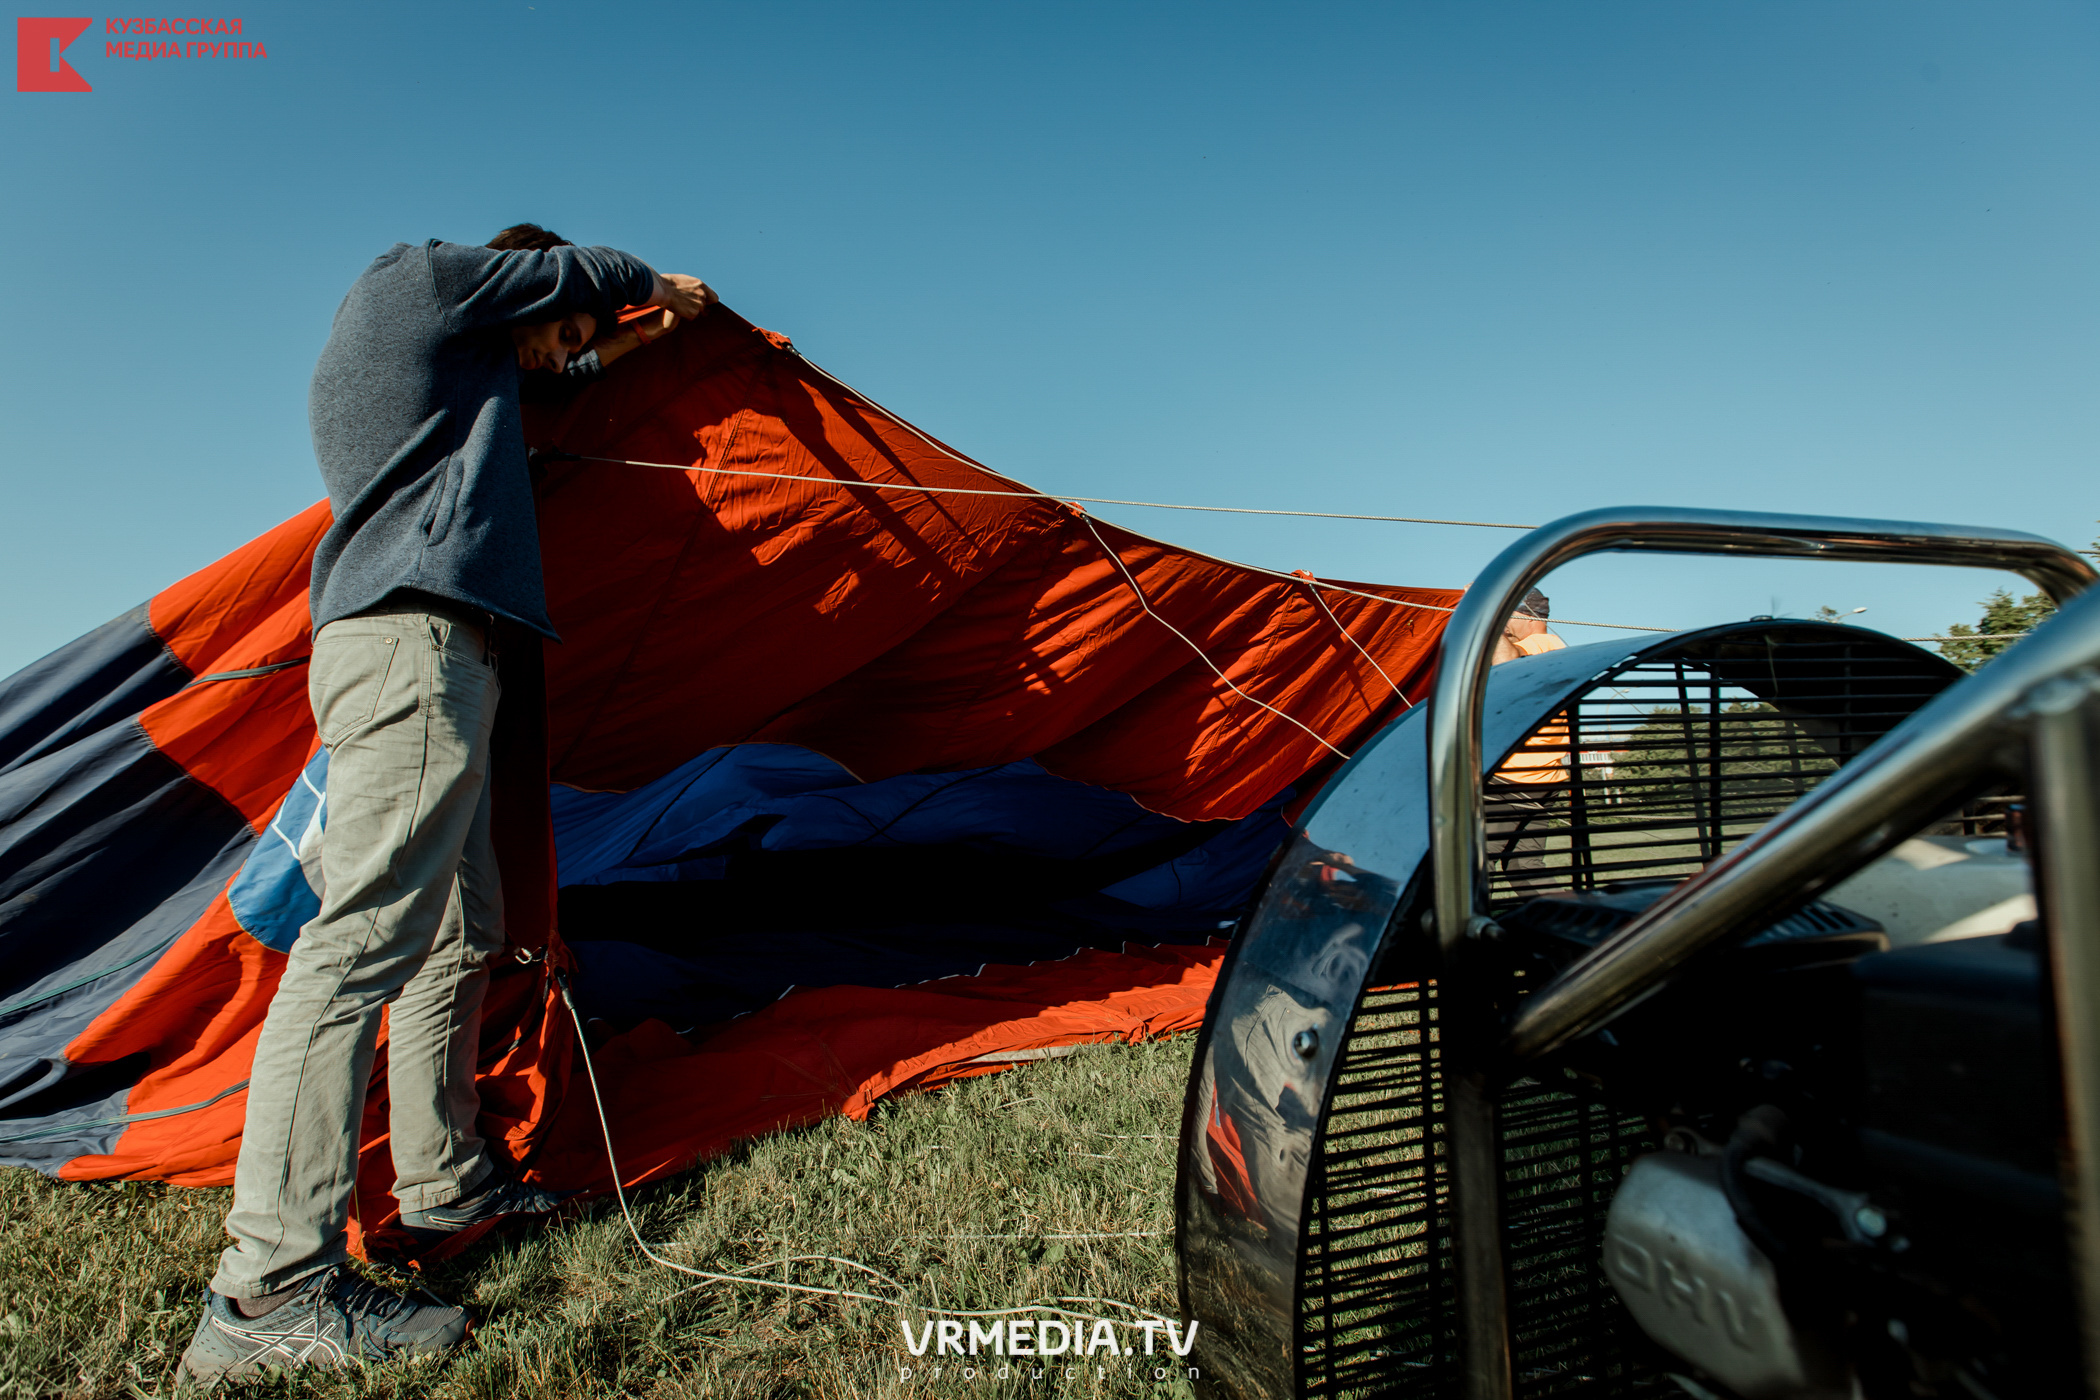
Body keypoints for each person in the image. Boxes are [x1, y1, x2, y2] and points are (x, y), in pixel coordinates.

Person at [178, 226, 716, 1383]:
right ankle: (269, 1285)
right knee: (356, 948)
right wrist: (653, 286)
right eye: (557, 332)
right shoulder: (416, 284)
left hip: (448, 658)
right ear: (517, 288)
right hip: (411, 651)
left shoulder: (470, 378)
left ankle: (444, 1182)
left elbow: (567, 360)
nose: (558, 357)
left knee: (461, 933)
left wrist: (633, 340)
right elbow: (577, 275)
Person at [1484, 589, 1571, 897]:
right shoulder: (1557, 648)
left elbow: (1505, 659)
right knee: (1524, 865)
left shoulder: (1539, 646)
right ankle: (1561, 921)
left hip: (1514, 777)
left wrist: (1488, 611)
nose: (1506, 625)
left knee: (1476, 861)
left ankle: (1463, 925)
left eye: (1508, 615)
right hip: (1545, 776)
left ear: (1525, 615)